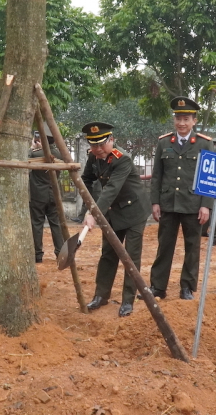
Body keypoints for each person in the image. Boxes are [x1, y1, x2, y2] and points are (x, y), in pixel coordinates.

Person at [81, 122, 150, 317]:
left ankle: (128, 300)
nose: (98, 149)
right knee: (108, 254)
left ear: (112, 140)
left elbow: (111, 190)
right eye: (94, 145)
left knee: (130, 256)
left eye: (102, 144)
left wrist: (93, 213)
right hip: (112, 212)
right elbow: (86, 180)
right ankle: (101, 296)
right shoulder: (93, 157)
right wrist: (89, 205)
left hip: (134, 211)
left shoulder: (123, 159)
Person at [149, 97, 213, 300]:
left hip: (193, 204)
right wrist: (155, 202)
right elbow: (157, 175)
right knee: (164, 247)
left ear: (194, 121)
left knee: (192, 248)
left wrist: (206, 206)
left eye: (186, 119)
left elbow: (208, 177)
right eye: (178, 118)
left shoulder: (205, 143)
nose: (181, 123)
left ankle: (187, 287)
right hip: (168, 204)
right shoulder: (164, 142)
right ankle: (158, 287)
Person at [28, 124, 64, 263]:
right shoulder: (60, 154)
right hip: (54, 193)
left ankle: (37, 255)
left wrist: (32, 148)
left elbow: (23, 158)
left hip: (38, 195)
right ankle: (60, 252)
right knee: (56, 224)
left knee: (37, 223)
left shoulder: (35, 153)